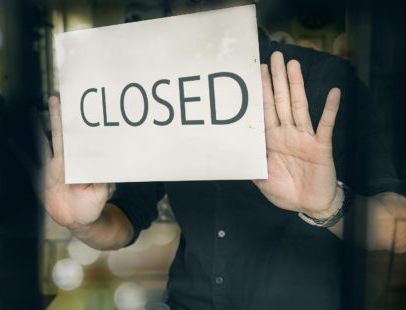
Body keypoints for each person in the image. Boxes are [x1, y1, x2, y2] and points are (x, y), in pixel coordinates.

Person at [42, 0, 406, 309]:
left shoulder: (325, 78)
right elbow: (124, 221)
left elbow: (398, 230)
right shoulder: (159, 93)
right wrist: (82, 223)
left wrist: (329, 205)